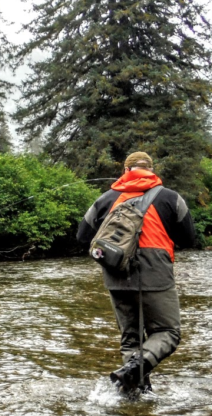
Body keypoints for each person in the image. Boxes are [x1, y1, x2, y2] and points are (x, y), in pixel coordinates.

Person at [76, 152, 197, 394]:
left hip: (116, 274)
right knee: (168, 333)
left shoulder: (106, 198)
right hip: (157, 274)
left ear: (125, 170)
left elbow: (82, 236)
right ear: (151, 170)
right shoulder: (171, 198)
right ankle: (135, 372)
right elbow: (189, 238)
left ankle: (134, 392)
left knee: (131, 339)